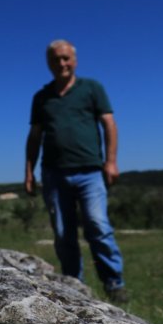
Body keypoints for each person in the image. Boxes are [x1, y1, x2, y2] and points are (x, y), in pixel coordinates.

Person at [25, 39, 128, 303]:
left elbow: (109, 125)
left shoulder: (92, 89)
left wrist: (111, 161)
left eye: (66, 58)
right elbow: (35, 136)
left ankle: (114, 283)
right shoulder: (42, 97)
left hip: (90, 172)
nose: (62, 64)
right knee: (63, 232)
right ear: (49, 63)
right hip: (54, 173)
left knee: (98, 225)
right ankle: (74, 285)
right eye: (56, 59)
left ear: (75, 60)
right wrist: (29, 172)